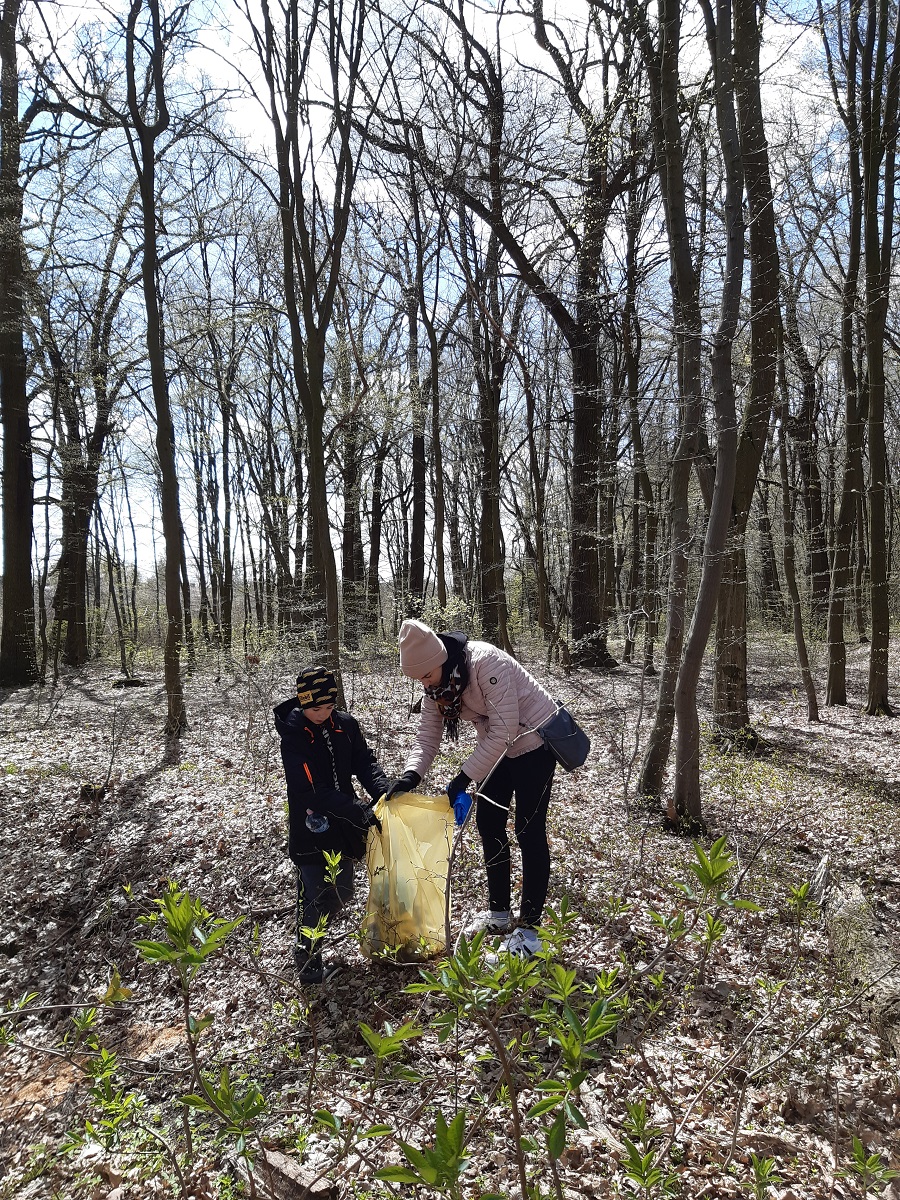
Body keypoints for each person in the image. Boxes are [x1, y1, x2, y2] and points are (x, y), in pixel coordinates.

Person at [385, 619, 559, 959]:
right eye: (418, 678)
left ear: (440, 660)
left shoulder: (485, 663)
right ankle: (498, 915)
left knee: (528, 830)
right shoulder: (436, 685)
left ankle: (530, 932)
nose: (424, 683)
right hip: (499, 749)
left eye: (425, 675)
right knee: (489, 825)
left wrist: (463, 778)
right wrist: (410, 776)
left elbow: (505, 729)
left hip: (534, 742)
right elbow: (428, 738)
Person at [274, 666, 389, 984]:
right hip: (310, 828)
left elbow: (364, 761)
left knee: (341, 891)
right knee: (314, 893)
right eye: (315, 708)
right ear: (302, 703)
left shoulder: (346, 726)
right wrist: (356, 810)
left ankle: (312, 938)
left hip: (344, 829)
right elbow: (310, 790)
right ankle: (308, 962)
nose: (322, 714)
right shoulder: (293, 738)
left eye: (328, 707)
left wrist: (383, 790)